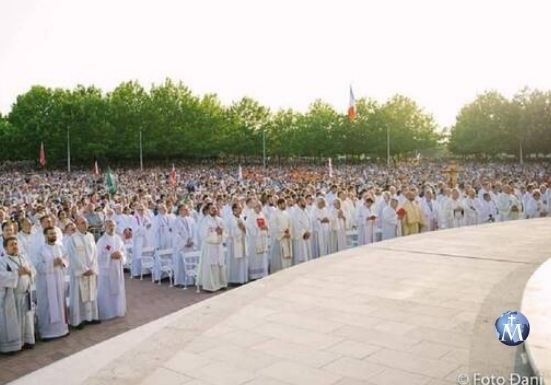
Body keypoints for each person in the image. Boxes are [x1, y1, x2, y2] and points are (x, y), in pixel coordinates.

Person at [0, 237, 35, 353]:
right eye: (11, 244)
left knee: (26, 319)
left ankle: (26, 341)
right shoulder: (3, 261)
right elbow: (2, 277)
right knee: (14, 321)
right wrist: (17, 273)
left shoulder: (23, 258)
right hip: (12, 297)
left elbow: (33, 270)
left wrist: (30, 272)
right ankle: (13, 346)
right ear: (5, 248)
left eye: (16, 243)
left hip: (25, 294)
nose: (15, 246)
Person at [35, 227, 69, 340]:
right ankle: (47, 332)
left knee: (60, 303)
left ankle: (62, 329)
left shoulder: (60, 247)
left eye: (54, 233)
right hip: (46, 282)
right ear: (45, 236)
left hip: (58, 279)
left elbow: (67, 260)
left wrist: (62, 262)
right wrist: (52, 263)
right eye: (50, 234)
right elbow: (38, 266)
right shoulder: (40, 249)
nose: (53, 235)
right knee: (47, 305)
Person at [66, 217, 100, 328]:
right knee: (78, 296)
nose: (85, 224)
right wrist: (84, 269)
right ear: (77, 225)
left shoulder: (90, 236)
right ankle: (78, 320)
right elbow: (73, 256)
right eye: (82, 223)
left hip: (91, 270)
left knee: (91, 294)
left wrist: (93, 267)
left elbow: (95, 253)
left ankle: (91, 317)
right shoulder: (72, 239)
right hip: (80, 273)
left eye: (86, 222)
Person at [96, 219, 127, 320]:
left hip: (117, 268)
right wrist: (110, 256)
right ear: (105, 227)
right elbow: (97, 257)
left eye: (113, 225)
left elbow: (123, 251)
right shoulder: (101, 241)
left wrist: (121, 255)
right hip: (106, 270)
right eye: (109, 226)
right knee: (106, 291)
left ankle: (118, 310)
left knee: (118, 289)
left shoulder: (118, 239)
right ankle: (107, 312)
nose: (111, 227)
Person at [197, 203, 227, 292]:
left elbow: (226, 232)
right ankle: (210, 286)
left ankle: (221, 283)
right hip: (209, 246)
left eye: (215, 208)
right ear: (208, 210)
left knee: (219, 264)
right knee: (210, 264)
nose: (214, 210)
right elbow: (202, 234)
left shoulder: (220, 220)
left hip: (218, 245)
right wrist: (215, 232)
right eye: (212, 209)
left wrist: (221, 232)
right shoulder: (205, 221)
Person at [172, 204, 198, 286]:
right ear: (179, 211)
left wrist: (192, 240)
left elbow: (194, 231)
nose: (186, 211)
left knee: (190, 262)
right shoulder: (176, 220)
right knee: (181, 263)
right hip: (182, 246)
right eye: (184, 209)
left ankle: (190, 280)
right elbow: (176, 234)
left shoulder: (191, 220)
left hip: (190, 245)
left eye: (187, 209)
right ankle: (181, 281)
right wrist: (184, 242)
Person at [226, 203, 248, 285]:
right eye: (239, 208)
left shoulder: (242, 217)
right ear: (234, 209)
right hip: (234, 244)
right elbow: (230, 232)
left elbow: (246, 229)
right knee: (235, 262)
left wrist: (244, 229)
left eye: (241, 208)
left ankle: (242, 279)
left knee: (242, 261)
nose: (241, 209)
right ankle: (234, 280)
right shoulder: (230, 219)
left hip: (242, 242)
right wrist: (240, 229)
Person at [245, 202, 269, 278]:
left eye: (260, 206)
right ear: (254, 207)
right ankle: (254, 275)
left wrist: (266, 227)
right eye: (258, 206)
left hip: (263, 239)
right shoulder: (250, 216)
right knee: (255, 258)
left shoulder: (262, 215)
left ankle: (262, 273)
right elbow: (249, 227)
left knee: (262, 257)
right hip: (255, 240)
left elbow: (267, 225)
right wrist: (259, 229)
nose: (259, 208)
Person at [269, 198, 293, 273]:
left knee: (287, 259)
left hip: (287, 239)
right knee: (279, 260)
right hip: (279, 240)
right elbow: (273, 226)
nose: (285, 205)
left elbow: (290, 225)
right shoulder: (274, 214)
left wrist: (289, 232)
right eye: (283, 204)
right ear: (279, 204)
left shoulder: (286, 213)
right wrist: (283, 234)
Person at [291, 196, 313, 265]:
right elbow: (296, 225)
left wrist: (309, 231)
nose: (304, 202)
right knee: (301, 256)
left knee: (308, 254)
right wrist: (304, 233)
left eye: (304, 201)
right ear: (298, 203)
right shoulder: (295, 213)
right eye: (303, 201)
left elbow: (310, 222)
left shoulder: (306, 210)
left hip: (307, 236)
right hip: (301, 237)